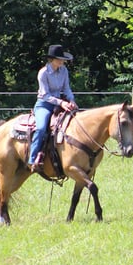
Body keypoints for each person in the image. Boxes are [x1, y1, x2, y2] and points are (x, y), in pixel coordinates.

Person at [28, 44, 78, 172]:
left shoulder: (64, 71)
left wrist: (71, 100)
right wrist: (61, 103)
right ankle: (32, 159)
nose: (62, 61)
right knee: (41, 128)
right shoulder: (43, 73)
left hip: (61, 103)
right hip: (44, 104)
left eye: (63, 59)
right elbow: (45, 95)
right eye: (59, 59)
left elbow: (66, 88)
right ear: (52, 59)